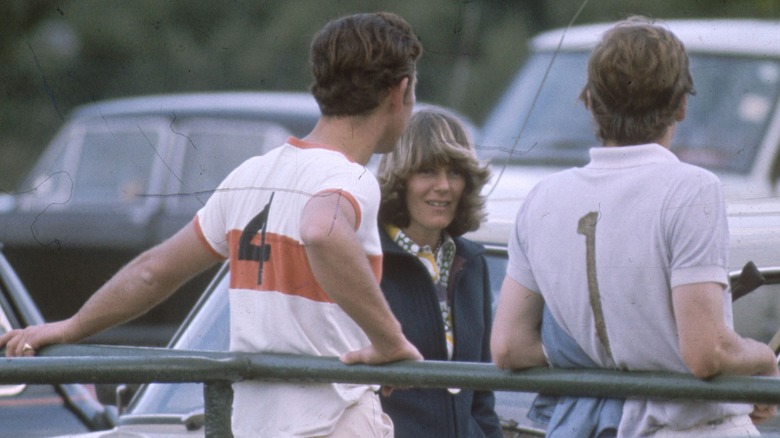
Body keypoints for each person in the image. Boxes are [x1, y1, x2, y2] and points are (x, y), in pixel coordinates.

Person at [0, 12, 424, 438]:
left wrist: (72, 326)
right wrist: (390, 341)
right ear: (399, 91)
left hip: (252, 424)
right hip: (335, 420)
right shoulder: (352, 178)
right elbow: (321, 229)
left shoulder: (250, 174)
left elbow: (153, 271)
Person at [490, 16, 779, 437]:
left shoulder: (541, 199)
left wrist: (603, 355)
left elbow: (508, 346)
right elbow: (705, 351)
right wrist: (763, 361)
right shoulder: (692, 188)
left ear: (589, 101)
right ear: (681, 104)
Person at [375, 108, 502, 438]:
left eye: (456, 173)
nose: (444, 186)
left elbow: (482, 396)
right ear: (400, 179)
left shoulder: (473, 263)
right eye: (427, 171)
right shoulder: (366, 259)